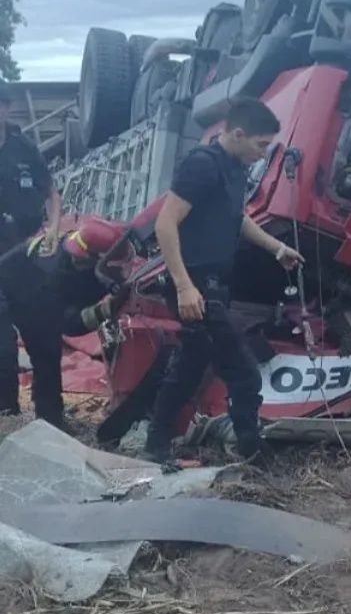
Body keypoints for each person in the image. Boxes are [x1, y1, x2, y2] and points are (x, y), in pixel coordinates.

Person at [143, 98, 302, 464]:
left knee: (190, 365)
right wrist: (184, 286)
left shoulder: (234, 168)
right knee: (244, 373)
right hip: (194, 284)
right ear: (237, 134)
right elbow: (165, 223)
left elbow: (237, 218)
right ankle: (250, 450)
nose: (263, 155)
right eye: (261, 145)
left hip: (213, 284)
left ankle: (156, 444)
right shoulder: (202, 165)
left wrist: (277, 247)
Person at [0, 216, 131, 433]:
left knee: (47, 352)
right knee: (15, 352)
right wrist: (102, 312)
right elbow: (66, 324)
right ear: (90, 260)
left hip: (29, 292)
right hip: (10, 290)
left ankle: (49, 420)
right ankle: (6, 418)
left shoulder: (81, 254)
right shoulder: (51, 273)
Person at [0, 82, 64, 415]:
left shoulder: (23, 148)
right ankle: (6, 415)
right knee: (2, 349)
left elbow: (52, 193)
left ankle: (51, 418)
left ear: (6, 108)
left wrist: (53, 229)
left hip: (25, 257)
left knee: (46, 339)